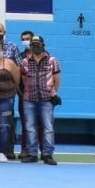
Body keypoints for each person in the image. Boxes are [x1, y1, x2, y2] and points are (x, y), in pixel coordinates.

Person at [19, 35, 60, 165]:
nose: (36, 46)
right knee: (30, 127)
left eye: (38, 44)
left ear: (43, 45)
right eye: (33, 44)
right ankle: (32, 154)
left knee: (48, 127)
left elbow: (56, 78)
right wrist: (27, 92)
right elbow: (24, 79)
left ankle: (47, 154)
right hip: (29, 99)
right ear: (30, 46)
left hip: (47, 98)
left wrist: (53, 93)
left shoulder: (52, 60)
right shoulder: (25, 61)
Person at [15, 30, 35, 158]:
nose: (26, 41)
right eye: (24, 39)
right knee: (25, 122)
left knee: (37, 124)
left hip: (40, 95)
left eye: (28, 38)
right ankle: (24, 149)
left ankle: (37, 149)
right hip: (23, 95)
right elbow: (16, 75)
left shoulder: (43, 55)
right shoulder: (20, 57)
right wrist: (19, 92)